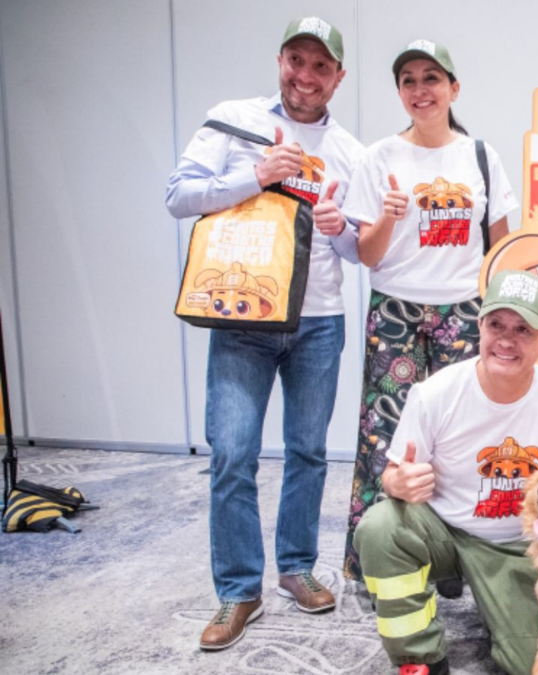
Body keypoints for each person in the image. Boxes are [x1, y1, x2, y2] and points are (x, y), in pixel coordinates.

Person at [164, 17, 364, 650]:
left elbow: (360, 251)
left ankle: (297, 570)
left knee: (308, 453)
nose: (306, 76)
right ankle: (237, 591)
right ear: (280, 59)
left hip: (319, 321)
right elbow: (178, 195)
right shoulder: (235, 119)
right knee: (232, 453)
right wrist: (258, 175)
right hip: (244, 317)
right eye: (296, 60)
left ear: (338, 76)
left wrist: (339, 228)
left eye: (320, 66)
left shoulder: (352, 152)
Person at [352, 270, 538, 675]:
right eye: (496, 324)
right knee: (380, 526)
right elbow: (394, 474)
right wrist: (397, 482)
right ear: (479, 325)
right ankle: (419, 658)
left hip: (524, 546)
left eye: (524, 329)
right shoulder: (435, 393)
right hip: (445, 533)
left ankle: (504, 608)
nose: (506, 339)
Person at [341, 39, 519, 582]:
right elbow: (365, 255)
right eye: (409, 81)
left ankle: (453, 565)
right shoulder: (379, 158)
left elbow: (503, 252)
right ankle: (376, 562)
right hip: (394, 306)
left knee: (461, 435)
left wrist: (502, 320)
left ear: (453, 88)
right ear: (400, 93)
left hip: (465, 310)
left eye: (431, 78)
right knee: (383, 434)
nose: (421, 91)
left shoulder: (481, 156)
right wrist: (390, 218)